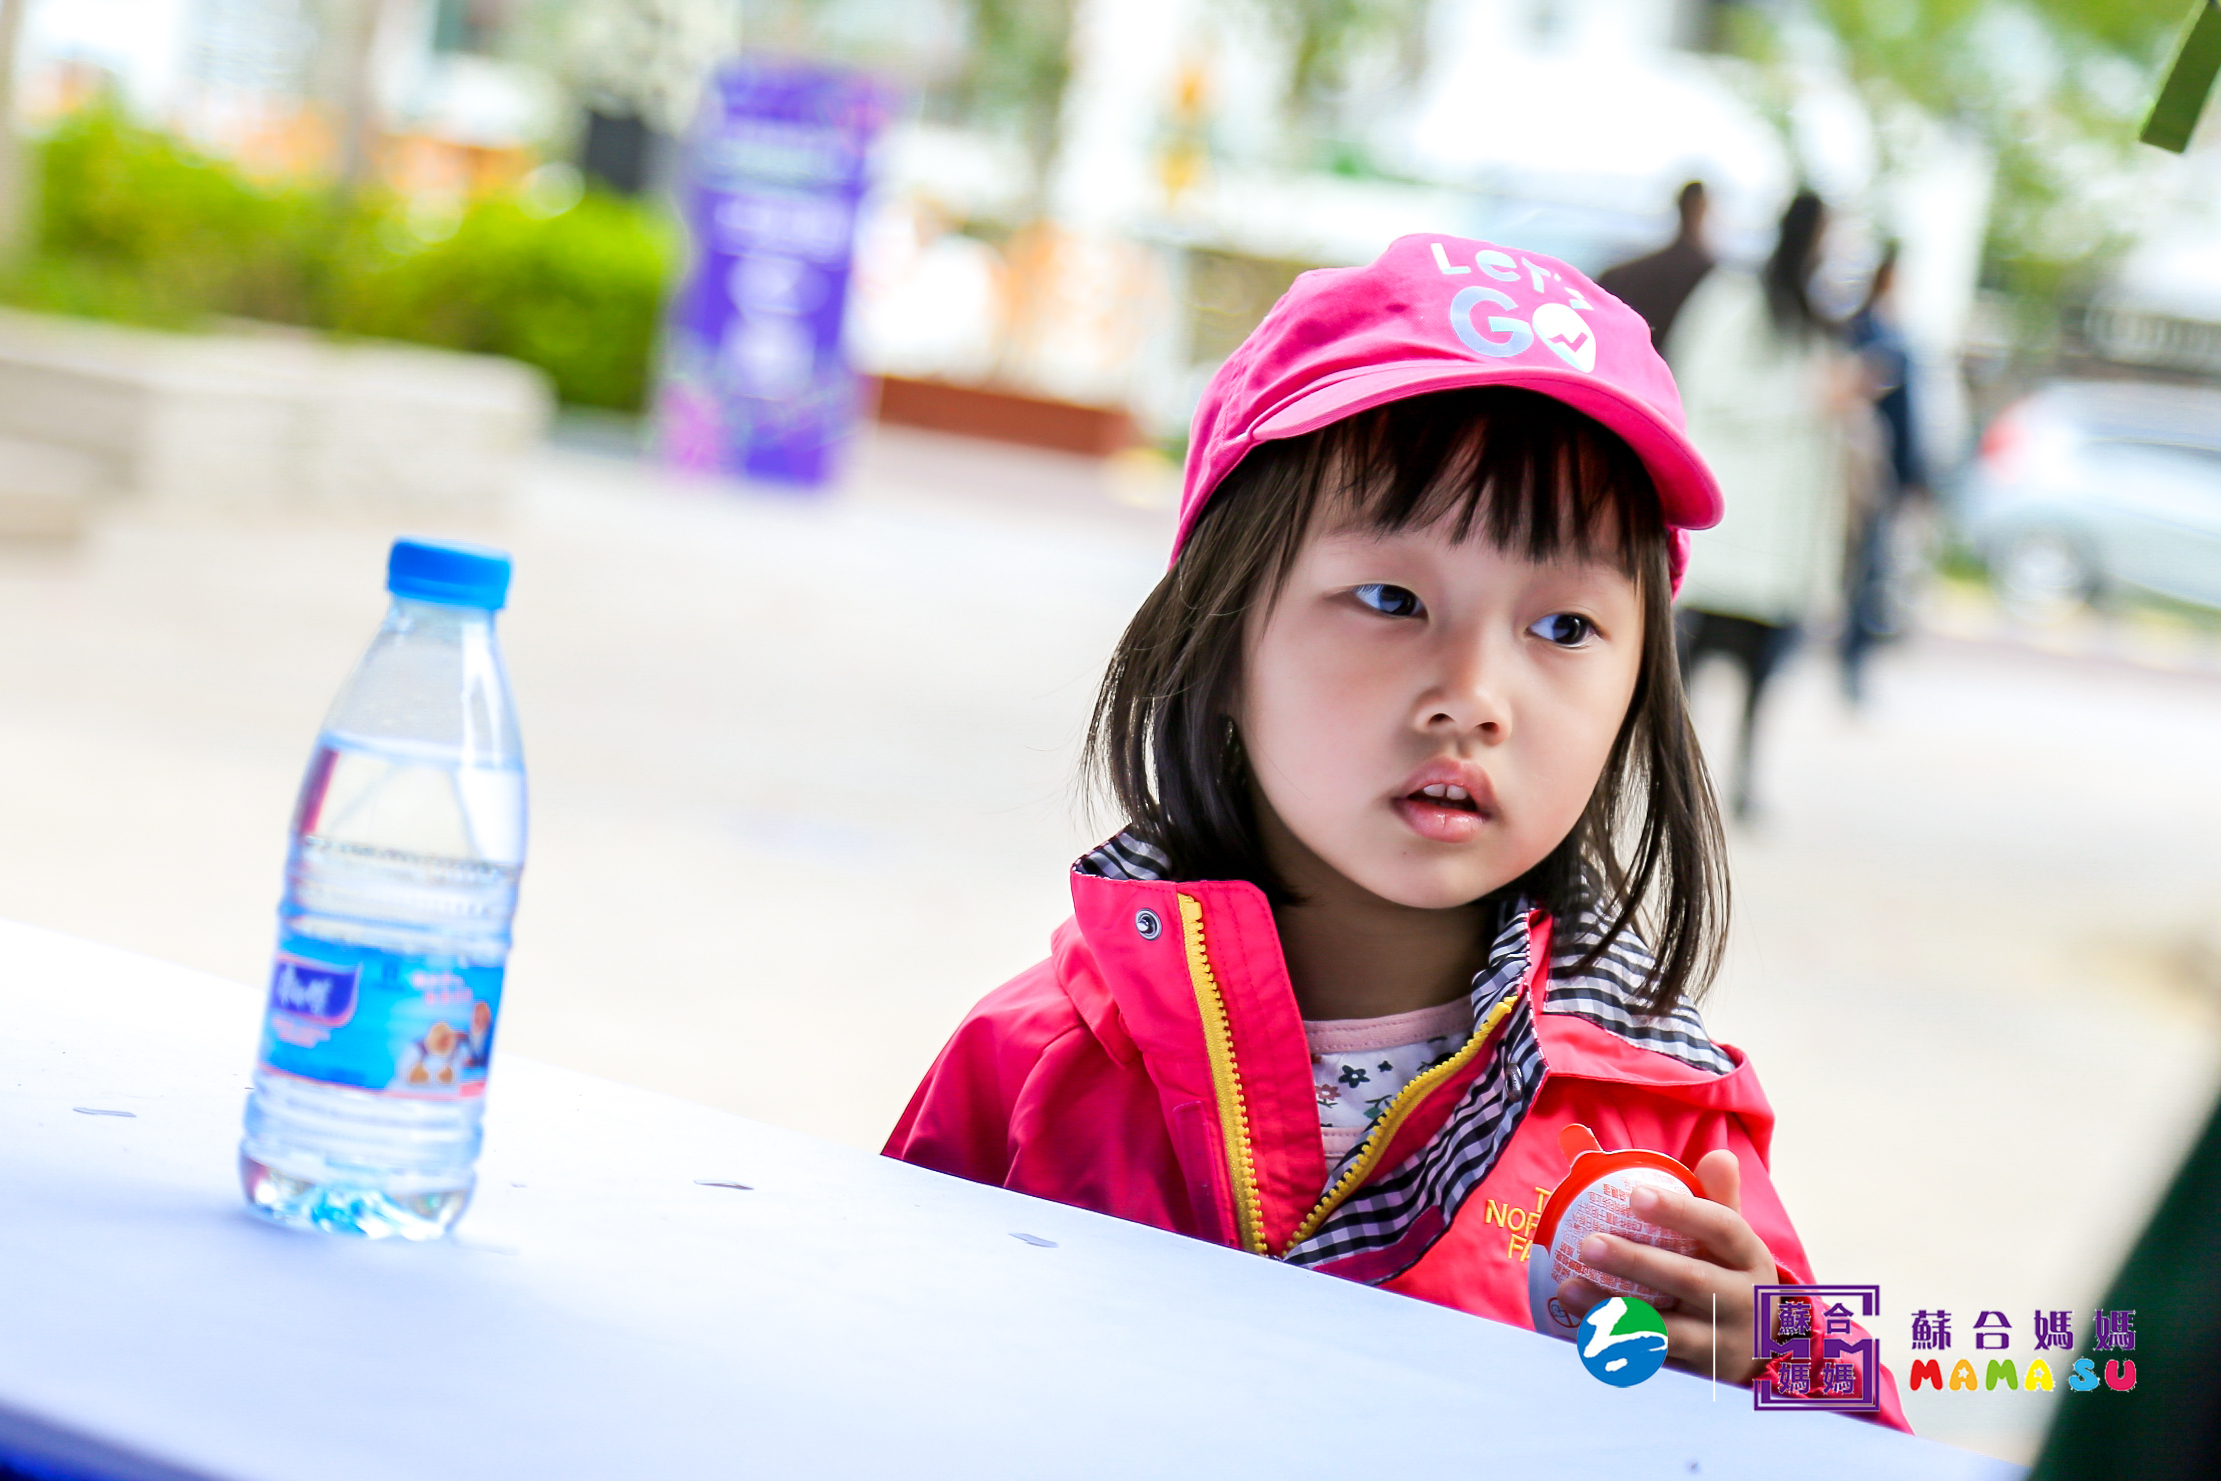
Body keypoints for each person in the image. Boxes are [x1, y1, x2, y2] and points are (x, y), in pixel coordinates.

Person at [883, 235, 1907, 1428]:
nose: (1472, 695)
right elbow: (869, 1373)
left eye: (1564, 627)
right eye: (1390, 598)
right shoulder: (1034, 1060)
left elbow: (1868, 1435)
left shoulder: (1664, 1124)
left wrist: (1763, 1364)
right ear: (1219, 635)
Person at [1668, 189, 1854, 820]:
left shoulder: (1808, 311)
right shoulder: (1738, 299)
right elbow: (1707, 388)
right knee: (1691, 675)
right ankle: (1678, 784)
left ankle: (1743, 782)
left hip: (1778, 543)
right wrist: (1808, 397)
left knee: (1762, 679)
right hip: (1732, 529)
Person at [1839, 244, 1926, 705]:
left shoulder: (1855, 328)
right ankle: (1850, 663)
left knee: (1861, 568)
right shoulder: (1881, 337)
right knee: (1864, 569)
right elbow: (1903, 417)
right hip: (1863, 469)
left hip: (1858, 468)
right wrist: (1911, 473)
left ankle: (1849, 661)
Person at [1597, 180, 1715, 356]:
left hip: (1630, 359)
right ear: (1700, 208)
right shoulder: (1710, 277)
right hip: (1676, 364)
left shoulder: (1623, 274)